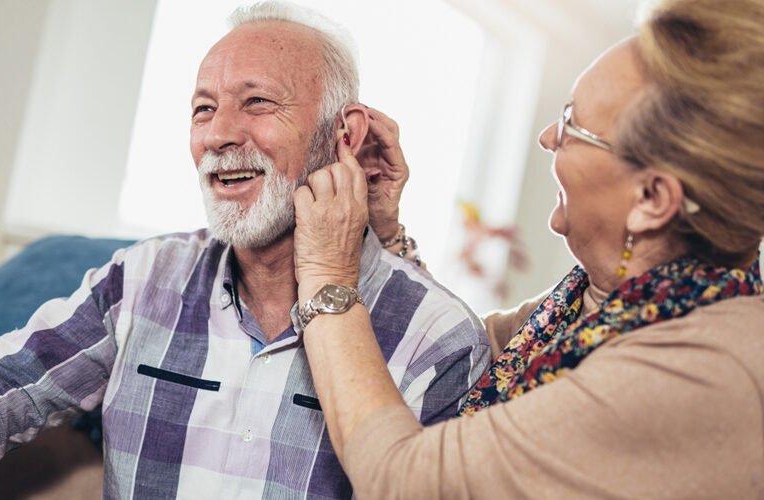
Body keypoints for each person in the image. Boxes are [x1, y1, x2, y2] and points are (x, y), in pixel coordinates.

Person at [0, 2, 490, 498]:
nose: (217, 134)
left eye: (258, 102)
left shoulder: (439, 338)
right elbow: (0, 389)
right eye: (203, 109)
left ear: (344, 134)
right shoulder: (142, 277)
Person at [292, 0, 764, 497]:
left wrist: (327, 276)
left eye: (572, 125)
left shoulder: (698, 373)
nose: (547, 137)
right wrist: (387, 236)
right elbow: (457, 355)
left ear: (650, 199)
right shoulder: (591, 309)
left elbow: (408, 480)